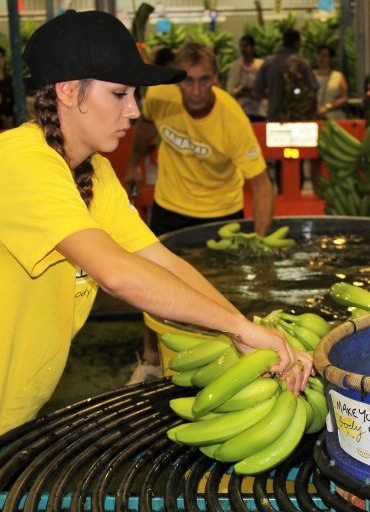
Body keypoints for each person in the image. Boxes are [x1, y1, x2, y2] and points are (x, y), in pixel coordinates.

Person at [0, 11, 311, 511]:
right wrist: (238, 330)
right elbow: (119, 273)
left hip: (5, 424)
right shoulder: (21, 163)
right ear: (68, 91)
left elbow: (161, 262)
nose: (134, 111)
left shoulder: (93, 173)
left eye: (135, 96)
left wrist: (247, 334)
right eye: (119, 94)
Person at [124, 41, 276, 382]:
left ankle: (222, 363)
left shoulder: (233, 119)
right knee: (153, 284)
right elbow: (144, 128)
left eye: (204, 80)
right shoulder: (161, 98)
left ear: (217, 79)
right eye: (187, 80)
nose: (195, 90)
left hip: (220, 214)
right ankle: (150, 359)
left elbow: (262, 184)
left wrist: (260, 243)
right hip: (170, 206)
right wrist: (134, 163)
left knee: (220, 293)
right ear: (176, 79)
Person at [253, 28, 318, 122]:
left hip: (274, 118)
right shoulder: (302, 63)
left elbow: (256, 92)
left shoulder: (269, 62)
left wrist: (273, 94)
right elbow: (313, 91)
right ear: (296, 43)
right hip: (299, 119)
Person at [226, 34, 266, 122]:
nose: (243, 50)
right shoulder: (235, 66)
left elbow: (266, 90)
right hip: (241, 111)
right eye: (241, 47)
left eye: (246, 46)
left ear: (253, 48)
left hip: (259, 112)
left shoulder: (261, 65)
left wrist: (249, 91)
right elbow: (230, 90)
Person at [312, 44, 349, 121]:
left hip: (333, 116)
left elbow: (344, 97)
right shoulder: (311, 75)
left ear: (330, 58)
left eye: (324, 56)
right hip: (314, 116)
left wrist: (328, 107)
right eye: (319, 55)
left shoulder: (338, 76)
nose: (321, 59)